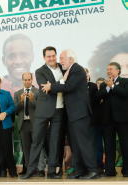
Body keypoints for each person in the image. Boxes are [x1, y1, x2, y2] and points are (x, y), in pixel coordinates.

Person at [41, 49, 100, 179]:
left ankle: (93, 170)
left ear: (70, 59)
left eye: (62, 58)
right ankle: (80, 170)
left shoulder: (78, 70)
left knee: (84, 143)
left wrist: (51, 86)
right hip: (73, 115)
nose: (59, 61)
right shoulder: (70, 70)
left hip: (80, 114)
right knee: (76, 144)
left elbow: (68, 87)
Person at [21, 46, 66, 179]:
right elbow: (45, 88)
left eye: (53, 56)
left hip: (60, 109)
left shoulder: (64, 68)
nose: (51, 58)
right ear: (44, 58)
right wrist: (61, 83)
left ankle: (52, 171)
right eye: (48, 56)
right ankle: (31, 170)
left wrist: (52, 85)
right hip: (43, 109)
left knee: (54, 141)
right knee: (37, 141)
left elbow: (55, 86)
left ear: (56, 55)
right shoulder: (39, 71)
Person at [97, 62, 128, 177]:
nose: (108, 71)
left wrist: (113, 87)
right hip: (108, 120)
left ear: (118, 70)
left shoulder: (125, 82)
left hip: (123, 120)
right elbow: (98, 96)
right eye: (107, 69)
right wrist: (108, 88)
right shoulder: (104, 84)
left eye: (111, 69)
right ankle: (110, 170)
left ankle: (126, 170)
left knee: (125, 145)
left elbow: (126, 94)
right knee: (109, 146)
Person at [14, 72, 46, 177]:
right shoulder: (18, 93)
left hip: (36, 124)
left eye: (29, 79)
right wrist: (21, 101)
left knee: (38, 147)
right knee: (26, 149)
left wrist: (33, 100)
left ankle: (40, 169)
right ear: (22, 80)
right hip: (23, 124)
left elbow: (41, 109)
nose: (27, 81)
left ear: (32, 80)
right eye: (25, 80)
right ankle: (29, 170)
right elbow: (15, 111)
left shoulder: (38, 92)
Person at [1, 33, 38, 98]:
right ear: (4, 61)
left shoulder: (43, 85)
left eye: (24, 55)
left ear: (32, 57)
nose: (18, 61)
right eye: (11, 56)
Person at [84, 69, 105, 173]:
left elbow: (97, 101)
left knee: (97, 145)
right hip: (81, 122)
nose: (86, 75)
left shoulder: (92, 86)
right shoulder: (74, 87)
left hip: (94, 122)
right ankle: (85, 167)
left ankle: (99, 166)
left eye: (87, 73)